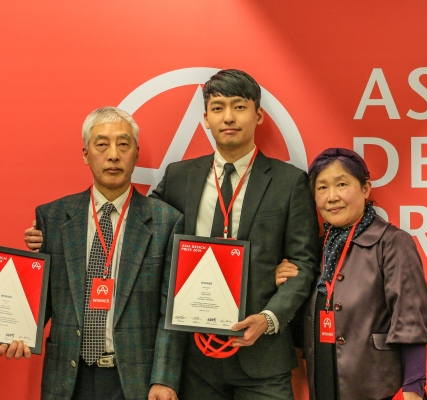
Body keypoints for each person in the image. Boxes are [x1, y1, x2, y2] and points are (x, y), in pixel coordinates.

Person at [27, 70, 320, 398]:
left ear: (259, 115)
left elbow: (304, 264)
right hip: (194, 359)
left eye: (239, 107)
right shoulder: (179, 177)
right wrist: (47, 237)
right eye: (218, 108)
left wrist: (268, 317)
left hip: (261, 357)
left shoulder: (289, 182)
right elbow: (135, 224)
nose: (228, 117)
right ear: (205, 118)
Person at [8, 107, 185, 400]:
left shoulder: (166, 221)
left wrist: (164, 379)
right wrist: (14, 332)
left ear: (136, 154)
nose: (113, 155)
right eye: (102, 144)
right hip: (68, 379)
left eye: (123, 144)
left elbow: (171, 311)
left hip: (136, 381)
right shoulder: (53, 218)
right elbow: (42, 301)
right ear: (85, 154)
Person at [276, 148, 427, 400]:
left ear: (365, 188)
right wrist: (286, 284)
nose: (332, 197)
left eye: (342, 184)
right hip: (324, 379)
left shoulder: (392, 242)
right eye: (322, 188)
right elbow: (302, 326)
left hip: (377, 387)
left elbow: (411, 321)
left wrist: (413, 388)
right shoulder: (316, 249)